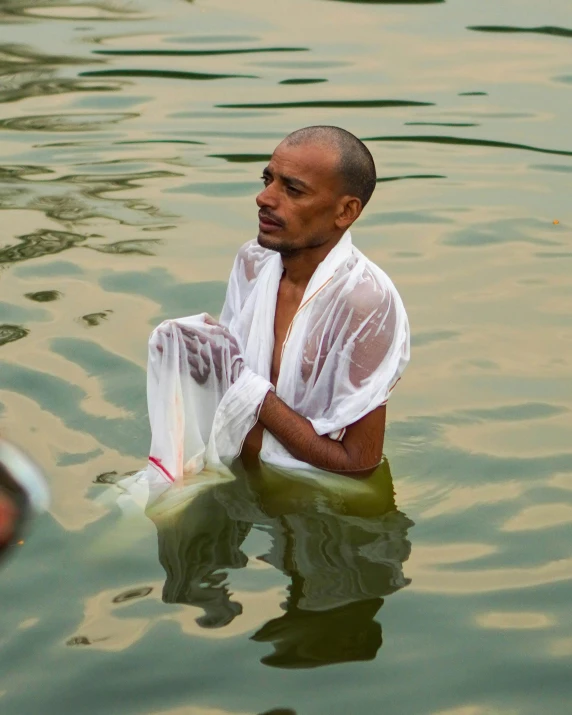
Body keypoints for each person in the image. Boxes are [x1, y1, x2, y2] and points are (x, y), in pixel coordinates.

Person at [142, 125, 410, 489]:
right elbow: (231, 380)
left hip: (311, 497)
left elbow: (358, 465)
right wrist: (199, 358)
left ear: (345, 211)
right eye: (268, 180)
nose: (264, 198)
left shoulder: (365, 302)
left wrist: (242, 384)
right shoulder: (254, 261)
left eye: (293, 189)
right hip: (229, 469)